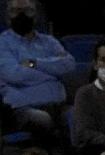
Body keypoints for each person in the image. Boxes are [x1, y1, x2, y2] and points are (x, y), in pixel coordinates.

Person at [0, 0, 75, 139]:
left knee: (78, 116)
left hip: (59, 105)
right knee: (42, 119)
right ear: (7, 16)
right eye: (16, 11)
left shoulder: (49, 41)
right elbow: (14, 75)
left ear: (36, 14)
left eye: (27, 10)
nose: (21, 15)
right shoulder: (2, 43)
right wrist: (53, 73)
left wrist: (34, 64)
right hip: (22, 109)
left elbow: (69, 65)